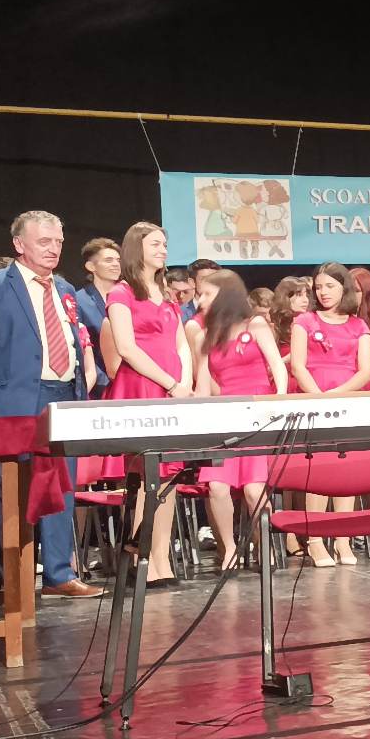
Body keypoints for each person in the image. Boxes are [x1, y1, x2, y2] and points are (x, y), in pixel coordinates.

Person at [0, 211, 101, 597]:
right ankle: (15, 577)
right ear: (19, 244)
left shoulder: (64, 288)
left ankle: (59, 574)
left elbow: (71, 342)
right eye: (44, 241)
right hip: (8, 405)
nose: (53, 249)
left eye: (58, 241)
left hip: (60, 399)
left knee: (60, 487)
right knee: (11, 491)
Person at [104, 221, 192, 587]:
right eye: (156, 244)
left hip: (173, 390)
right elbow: (126, 347)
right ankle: (143, 562)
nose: (163, 250)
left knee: (169, 479)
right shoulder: (122, 293)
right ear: (136, 247)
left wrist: (185, 382)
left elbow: (181, 344)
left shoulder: (167, 294)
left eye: (164, 244)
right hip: (143, 387)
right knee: (147, 478)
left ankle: (161, 558)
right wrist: (170, 382)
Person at [192, 271, 286, 570]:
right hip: (225, 417)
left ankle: (264, 545)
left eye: (207, 294)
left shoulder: (255, 325)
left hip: (258, 416)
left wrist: (278, 401)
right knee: (217, 487)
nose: (200, 300)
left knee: (253, 490)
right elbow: (203, 388)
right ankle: (229, 548)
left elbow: (277, 367)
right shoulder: (205, 337)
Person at [290, 262, 370, 565]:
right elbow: (298, 365)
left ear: (344, 288)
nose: (323, 292)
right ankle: (315, 540)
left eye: (329, 286)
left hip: (347, 401)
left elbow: (365, 370)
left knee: (345, 471)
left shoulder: (358, 325)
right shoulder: (305, 321)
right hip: (313, 401)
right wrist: (318, 397)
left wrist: (337, 395)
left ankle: (343, 539)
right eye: (318, 287)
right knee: (319, 471)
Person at [76, 237, 120, 392]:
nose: (116, 264)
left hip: (129, 379)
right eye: (108, 260)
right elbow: (79, 348)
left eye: (118, 260)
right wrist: (103, 381)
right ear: (91, 266)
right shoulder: (79, 300)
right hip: (99, 384)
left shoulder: (130, 296)